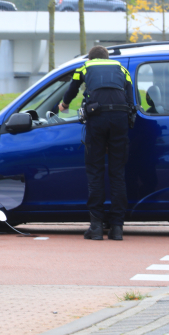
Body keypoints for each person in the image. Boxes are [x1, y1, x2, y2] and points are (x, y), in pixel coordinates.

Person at [59, 45, 133, 241]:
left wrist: (64, 105)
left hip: (97, 118)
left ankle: (96, 227)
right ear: (107, 57)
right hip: (120, 119)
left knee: (95, 172)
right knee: (118, 174)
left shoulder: (85, 67)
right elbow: (131, 100)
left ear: (91, 58)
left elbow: (72, 90)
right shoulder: (122, 69)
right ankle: (117, 228)